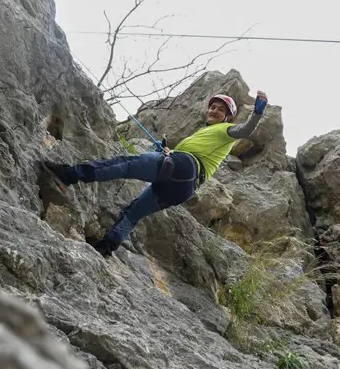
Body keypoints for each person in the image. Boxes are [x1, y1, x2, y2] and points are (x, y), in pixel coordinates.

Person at [35, 91, 269, 257]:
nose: (214, 110)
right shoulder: (210, 136)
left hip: (184, 167)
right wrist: (170, 151)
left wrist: (257, 114)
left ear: (228, 117)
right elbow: (192, 155)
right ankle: (106, 247)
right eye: (213, 107)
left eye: (221, 109)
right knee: (134, 211)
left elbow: (245, 130)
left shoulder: (226, 130)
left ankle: (69, 175)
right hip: (183, 186)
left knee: (125, 164)